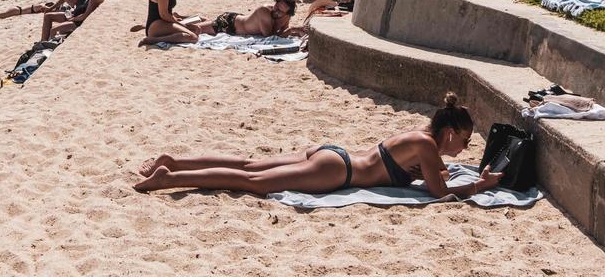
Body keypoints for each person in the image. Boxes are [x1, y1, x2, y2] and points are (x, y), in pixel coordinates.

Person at [134, 92, 502, 198]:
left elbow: (431, 173)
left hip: (332, 154)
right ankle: (168, 179)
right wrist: (479, 185)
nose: (464, 149)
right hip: (337, 172)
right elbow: (439, 193)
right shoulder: (426, 146)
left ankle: (177, 161)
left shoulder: (421, 137)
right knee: (252, 183)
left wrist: (448, 171)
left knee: (249, 165)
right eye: (465, 141)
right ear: (450, 133)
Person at [183, 0, 304, 38]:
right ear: (275, 3)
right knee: (191, 29)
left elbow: (282, 31)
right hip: (228, 23)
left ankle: (198, 18)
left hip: (239, 20)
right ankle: (176, 22)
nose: (276, 12)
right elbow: (269, 36)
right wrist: (292, 30)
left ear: (287, 13)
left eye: (281, 12)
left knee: (205, 24)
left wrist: (291, 30)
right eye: (276, 7)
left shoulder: (286, 15)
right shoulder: (265, 11)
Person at [41, 0, 106, 41]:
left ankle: (45, 45)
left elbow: (85, 15)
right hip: (75, 15)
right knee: (48, 16)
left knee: (54, 30)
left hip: (79, 22)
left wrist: (73, 19)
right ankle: (43, 42)